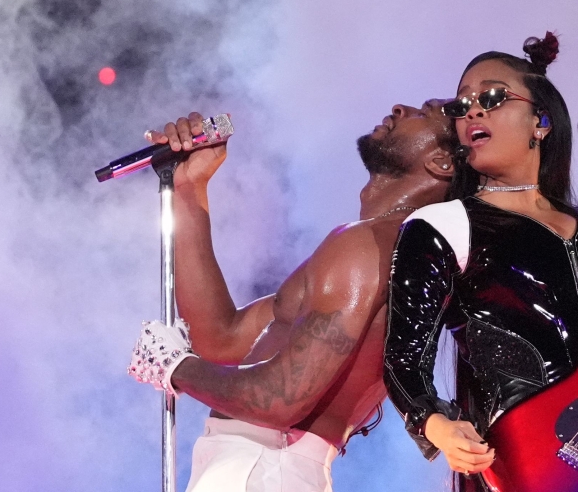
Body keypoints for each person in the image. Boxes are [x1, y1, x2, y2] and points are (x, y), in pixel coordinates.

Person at [128, 98, 458, 492]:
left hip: (264, 467)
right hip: (262, 467)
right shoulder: (381, 246)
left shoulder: (370, 245)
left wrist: (174, 367)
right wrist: (189, 187)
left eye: (426, 112)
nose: (401, 108)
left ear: (441, 163)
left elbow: (279, 399)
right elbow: (221, 336)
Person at [383, 33, 576, 492]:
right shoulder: (444, 226)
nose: (472, 111)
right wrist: (436, 426)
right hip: (523, 463)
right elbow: (402, 360)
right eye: (460, 105)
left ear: (540, 122)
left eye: (490, 97)